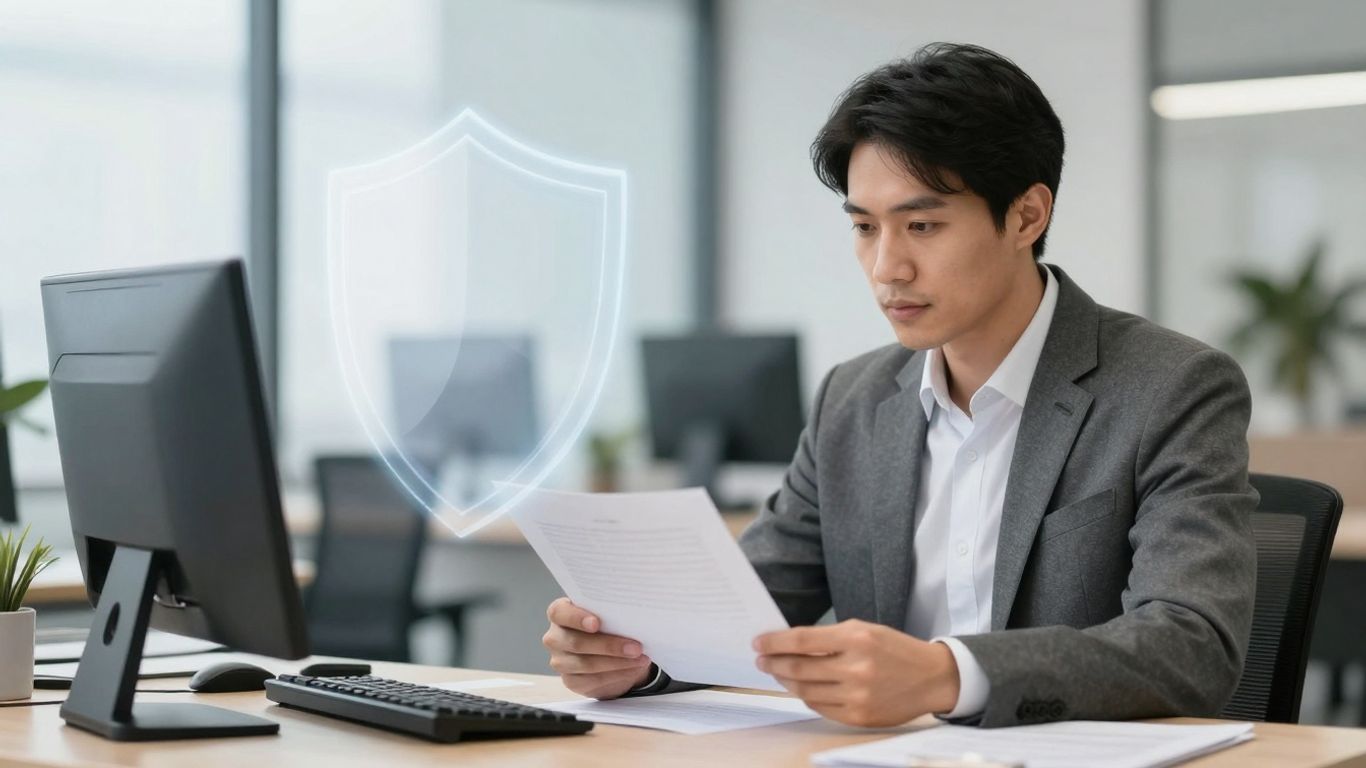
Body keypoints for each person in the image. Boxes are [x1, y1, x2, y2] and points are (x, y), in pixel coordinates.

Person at [541, 42, 1257, 728]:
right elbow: (745, 610)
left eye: (922, 225)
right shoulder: (852, 399)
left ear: (1026, 216)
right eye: (864, 227)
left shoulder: (1172, 387)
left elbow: (1191, 644)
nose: (888, 268)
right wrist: (634, 657)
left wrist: (947, 675)